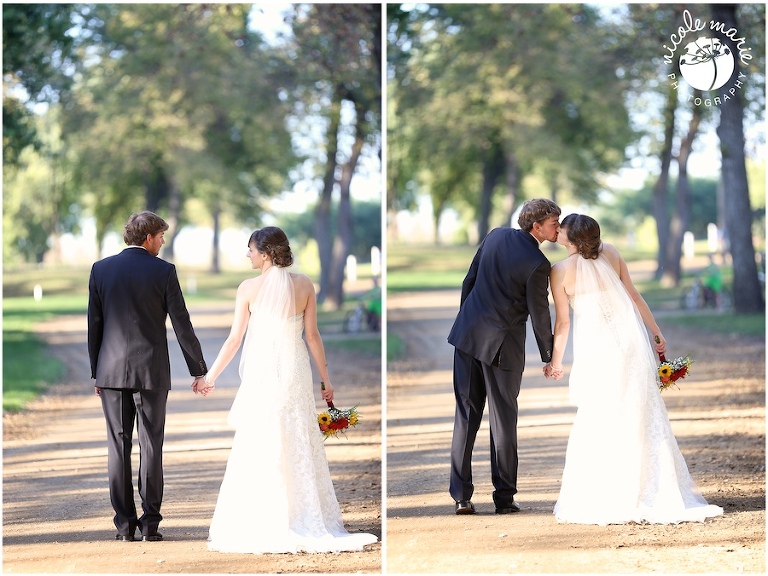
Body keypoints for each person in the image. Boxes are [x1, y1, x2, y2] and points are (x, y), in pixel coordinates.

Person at [199, 226, 378, 553]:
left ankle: (262, 516)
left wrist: (210, 377)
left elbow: (234, 340)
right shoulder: (304, 284)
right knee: (296, 435)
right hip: (295, 370)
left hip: (264, 373)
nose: (248, 254)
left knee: (262, 437)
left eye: (251, 249)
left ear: (265, 254)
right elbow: (312, 337)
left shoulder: (248, 289)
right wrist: (326, 380)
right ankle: (303, 514)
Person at [547, 213, 723, 525]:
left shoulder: (559, 271)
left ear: (571, 240)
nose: (556, 231)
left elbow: (563, 322)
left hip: (598, 352)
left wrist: (556, 361)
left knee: (601, 415)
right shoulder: (611, 252)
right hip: (630, 346)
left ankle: (609, 491)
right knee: (641, 413)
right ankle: (651, 489)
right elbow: (635, 297)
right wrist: (656, 333)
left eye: (561, 228)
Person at [88, 211, 208, 542]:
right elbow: (181, 322)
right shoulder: (164, 271)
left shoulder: (101, 270)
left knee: (118, 445)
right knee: (152, 445)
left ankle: (125, 526)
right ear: (148, 238)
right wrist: (198, 369)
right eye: (161, 237)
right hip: (152, 372)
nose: (163, 242)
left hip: (111, 372)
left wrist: (95, 372)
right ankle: (150, 524)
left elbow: (94, 325)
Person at [447, 198, 561, 515]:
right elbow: (540, 315)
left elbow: (468, 280)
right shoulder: (539, 264)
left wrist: (468, 319)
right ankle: (504, 498)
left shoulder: (495, 235)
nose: (558, 227)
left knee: (466, 416)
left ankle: (461, 497)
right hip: (503, 348)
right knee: (503, 420)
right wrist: (549, 355)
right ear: (536, 225)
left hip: (467, 337)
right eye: (554, 222)